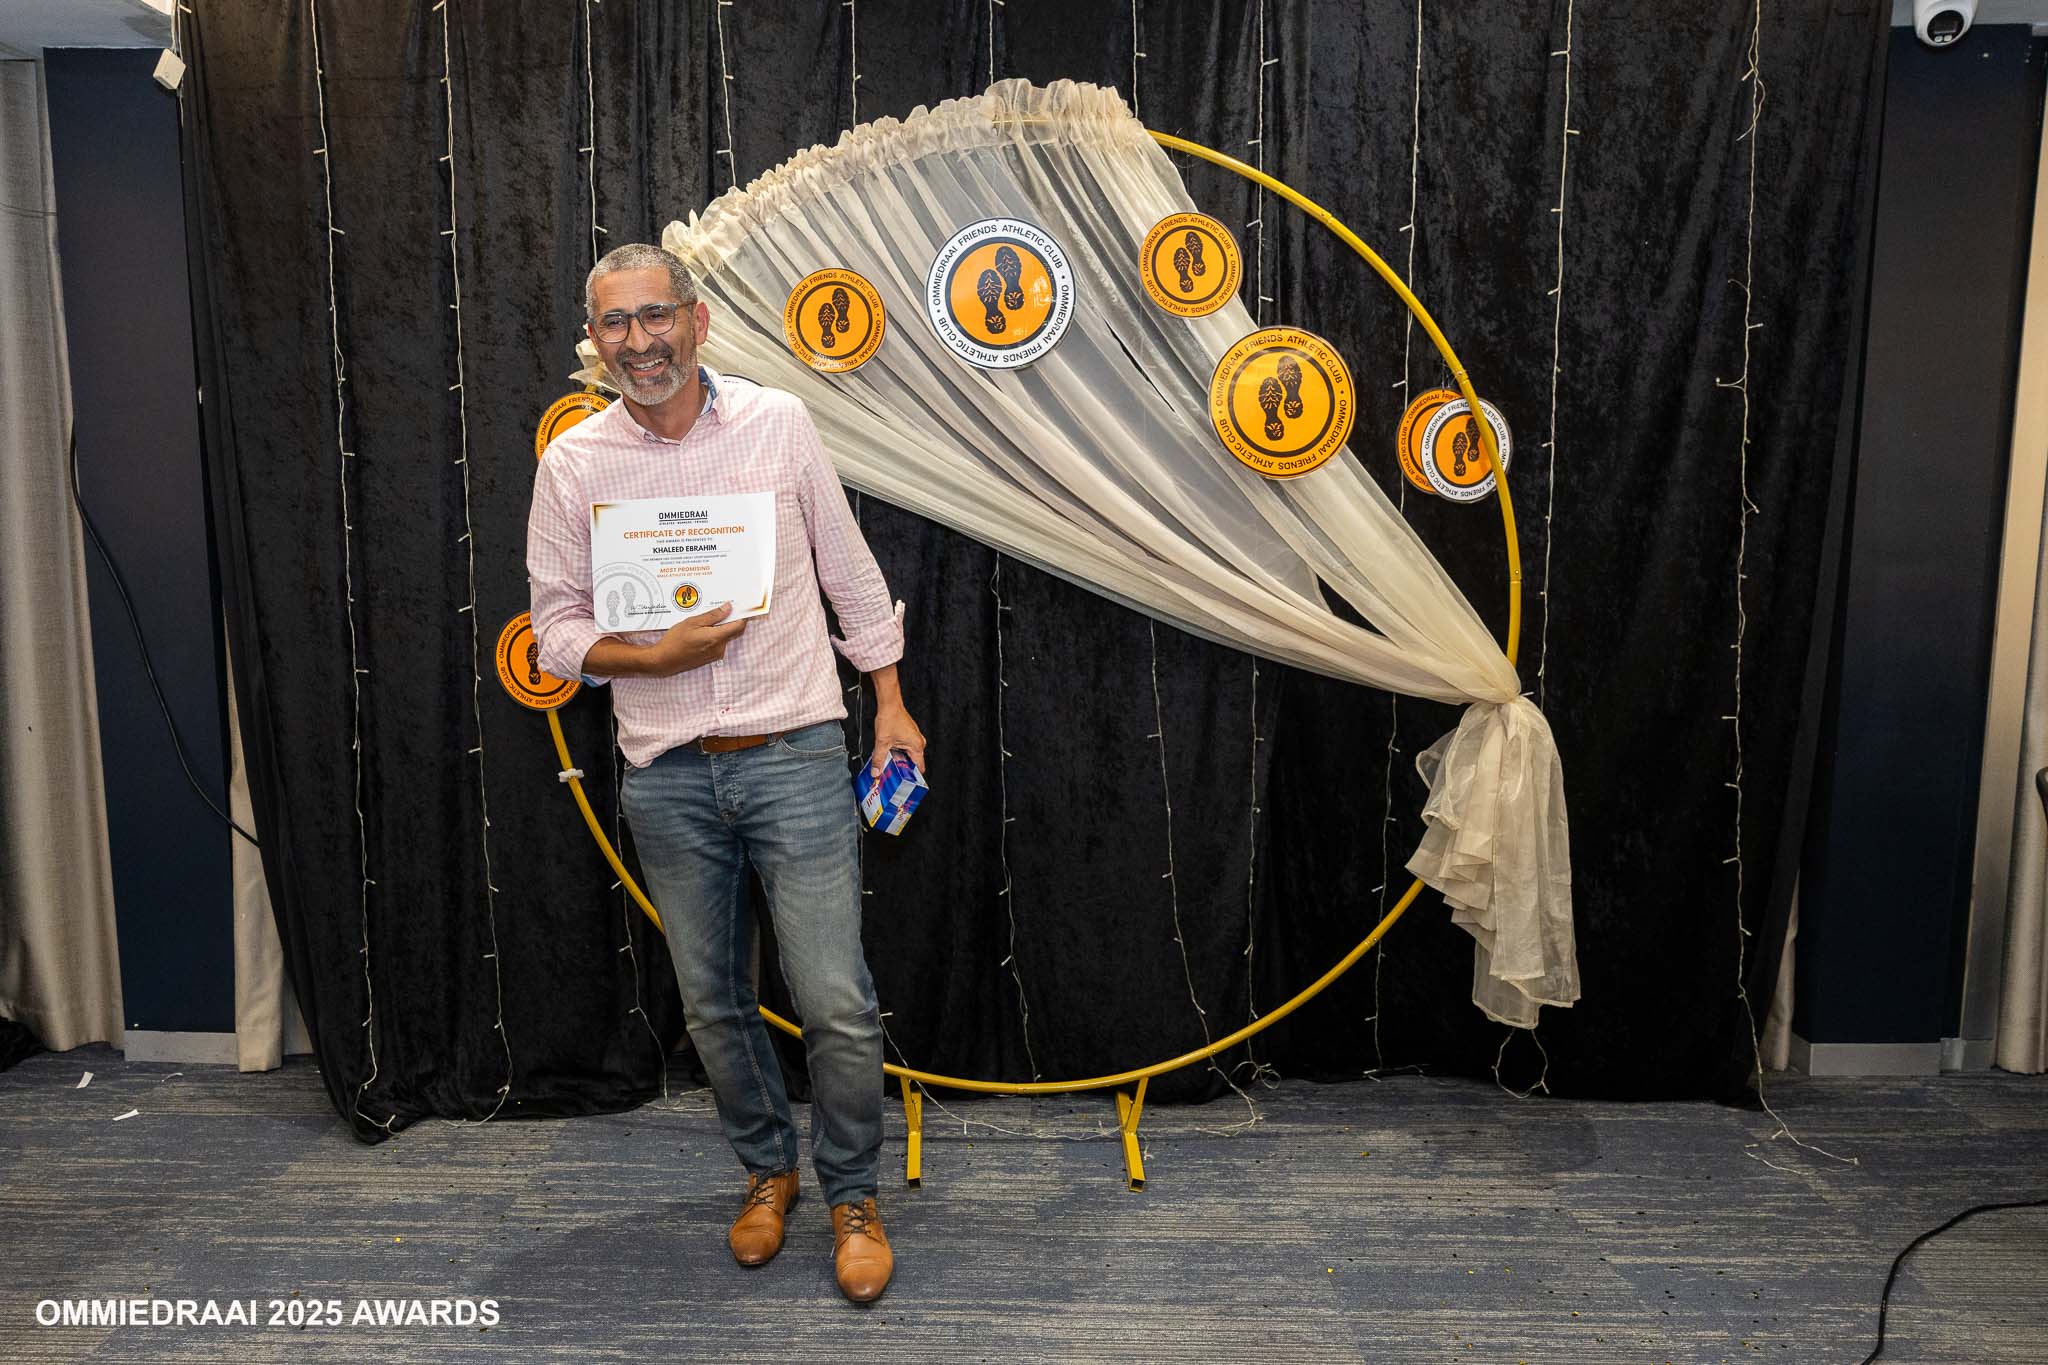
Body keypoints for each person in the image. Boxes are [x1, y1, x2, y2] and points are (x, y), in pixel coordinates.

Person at [526, 242, 926, 1304]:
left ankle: (853, 1194)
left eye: (656, 315)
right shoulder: (574, 463)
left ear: (696, 321)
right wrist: (649, 657)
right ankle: (767, 1171)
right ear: (594, 340)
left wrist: (890, 702)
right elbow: (556, 629)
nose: (639, 341)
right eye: (615, 323)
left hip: (794, 755)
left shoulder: (777, 423)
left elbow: (848, 572)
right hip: (665, 773)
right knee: (712, 1006)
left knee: (836, 1001)